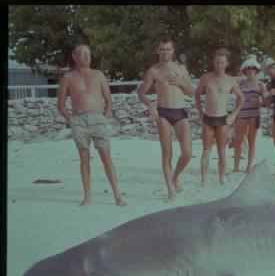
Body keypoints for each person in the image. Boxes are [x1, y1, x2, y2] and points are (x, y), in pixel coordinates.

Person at [57, 43, 126, 207]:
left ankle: (117, 195)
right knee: (84, 158)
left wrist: (105, 118)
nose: (85, 56)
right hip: (79, 120)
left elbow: (109, 100)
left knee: (106, 157)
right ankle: (87, 196)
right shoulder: (68, 77)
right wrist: (70, 121)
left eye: (87, 53)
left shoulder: (98, 74)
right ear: (74, 56)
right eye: (81, 53)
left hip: (98, 119)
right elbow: (60, 103)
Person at [138, 35, 194, 202]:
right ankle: (170, 189)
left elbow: (191, 93)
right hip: (163, 112)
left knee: (187, 153)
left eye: (168, 49)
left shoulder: (181, 69)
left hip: (180, 111)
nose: (165, 52)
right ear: (157, 50)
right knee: (167, 154)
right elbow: (141, 93)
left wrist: (182, 83)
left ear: (173, 51)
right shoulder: (153, 71)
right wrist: (150, 105)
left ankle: (175, 177)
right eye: (162, 49)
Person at [195, 48, 244, 185]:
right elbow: (197, 94)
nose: (219, 66)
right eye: (217, 63)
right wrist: (199, 111)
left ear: (227, 63)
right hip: (208, 118)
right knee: (206, 150)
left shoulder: (230, 81)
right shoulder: (206, 78)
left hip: (223, 119)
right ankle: (203, 179)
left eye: (222, 63)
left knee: (222, 151)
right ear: (213, 62)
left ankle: (221, 178)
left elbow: (241, 98)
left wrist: (234, 115)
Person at [232, 54, 267, 174]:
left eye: (252, 68)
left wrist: (259, 101)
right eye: (247, 68)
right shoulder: (240, 84)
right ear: (244, 70)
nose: (249, 70)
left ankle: (249, 166)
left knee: (252, 141)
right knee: (238, 141)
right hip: (241, 115)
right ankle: (236, 167)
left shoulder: (261, 85)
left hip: (254, 115)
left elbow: (266, 101)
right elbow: (237, 101)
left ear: (256, 70)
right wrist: (234, 114)